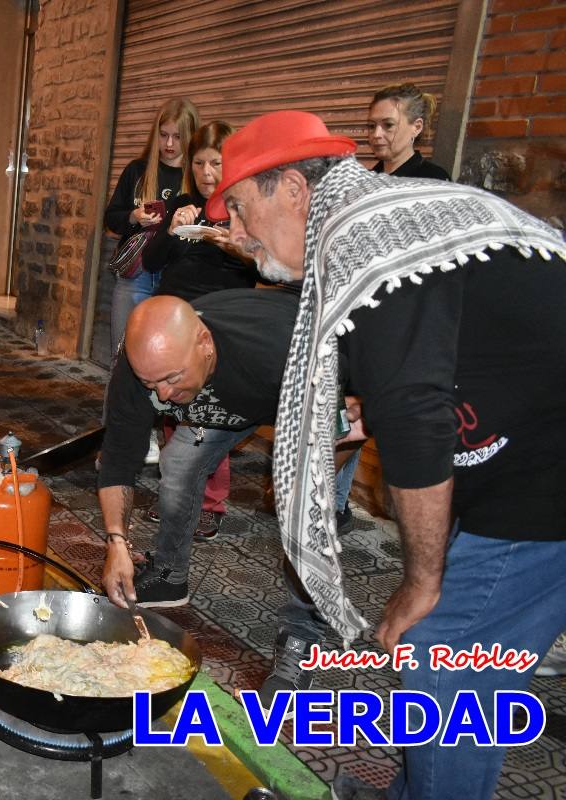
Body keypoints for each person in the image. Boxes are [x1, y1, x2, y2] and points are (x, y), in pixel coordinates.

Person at [207, 109, 566, 800]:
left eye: (243, 208)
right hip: (523, 446)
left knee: (445, 663)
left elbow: (417, 416)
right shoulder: (381, 216)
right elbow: (461, 351)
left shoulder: (366, 237)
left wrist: (421, 580)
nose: (238, 233)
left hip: (544, 472)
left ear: (294, 189)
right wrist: (376, 409)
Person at [99, 290, 298, 608]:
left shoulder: (281, 351)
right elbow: (117, 460)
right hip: (227, 399)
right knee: (179, 462)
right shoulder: (140, 364)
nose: (162, 396)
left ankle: (304, 626)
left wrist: (301, 475)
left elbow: (346, 424)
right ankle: (170, 578)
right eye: (152, 385)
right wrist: (116, 542)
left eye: (171, 378)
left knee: (305, 503)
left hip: (303, 394)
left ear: (205, 344)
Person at [332, 84, 453, 534]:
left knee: (378, 412)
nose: (376, 134)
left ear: (416, 128)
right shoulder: (362, 178)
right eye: (372, 125)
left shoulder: (433, 179)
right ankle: (335, 505)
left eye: (388, 125)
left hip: (403, 319)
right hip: (357, 313)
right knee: (346, 412)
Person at [140, 120, 257, 539]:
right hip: (176, 322)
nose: (208, 173)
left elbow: (263, 267)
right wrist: (170, 232)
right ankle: (175, 492)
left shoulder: (246, 208)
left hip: (219, 327)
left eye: (216, 164)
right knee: (174, 410)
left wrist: (236, 247)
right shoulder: (185, 205)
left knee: (211, 414)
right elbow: (152, 262)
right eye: (201, 163)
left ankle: (211, 502)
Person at [103, 98, 200, 357]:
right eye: (164, 135)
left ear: (191, 137)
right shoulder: (137, 170)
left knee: (164, 360)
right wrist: (133, 217)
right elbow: (111, 218)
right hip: (136, 276)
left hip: (176, 278)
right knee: (123, 357)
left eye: (178, 137)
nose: (169, 144)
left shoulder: (197, 177)